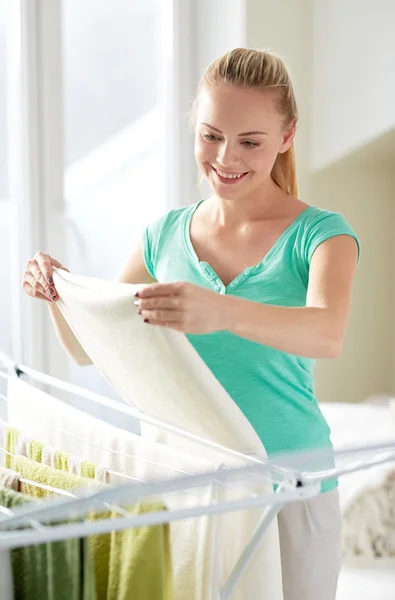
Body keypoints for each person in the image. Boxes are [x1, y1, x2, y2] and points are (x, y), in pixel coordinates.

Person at [22, 48, 359, 600]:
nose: (226, 157)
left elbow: (327, 333)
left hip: (292, 484)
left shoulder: (322, 234)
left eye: (250, 141)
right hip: (189, 484)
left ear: (286, 135)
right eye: (211, 135)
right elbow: (89, 350)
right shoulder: (164, 235)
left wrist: (220, 311)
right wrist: (59, 293)